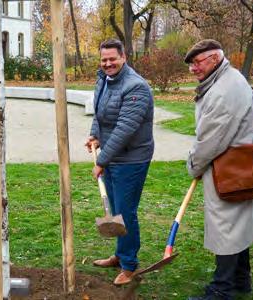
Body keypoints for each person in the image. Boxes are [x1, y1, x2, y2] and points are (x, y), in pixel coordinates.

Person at [184, 39, 253, 300]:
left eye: (197, 63)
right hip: (241, 166)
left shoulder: (224, 90)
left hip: (229, 170)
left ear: (215, 58)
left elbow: (211, 140)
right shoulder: (229, 78)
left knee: (227, 229)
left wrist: (194, 164)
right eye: (191, 65)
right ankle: (241, 281)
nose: (193, 69)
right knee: (238, 226)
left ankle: (222, 290)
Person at [84, 38, 154, 285]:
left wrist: (101, 160)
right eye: (104, 59)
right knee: (116, 211)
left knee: (126, 212)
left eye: (112, 59)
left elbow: (125, 129)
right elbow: (100, 114)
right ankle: (120, 254)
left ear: (124, 57)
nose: (107, 63)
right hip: (114, 155)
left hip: (131, 158)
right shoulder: (104, 80)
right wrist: (95, 134)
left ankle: (129, 265)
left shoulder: (136, 87)